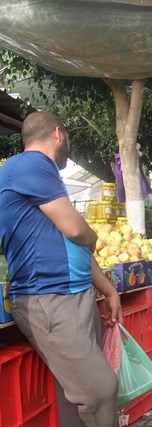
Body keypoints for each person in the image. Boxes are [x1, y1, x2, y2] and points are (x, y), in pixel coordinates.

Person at [0, 112, 122, 426]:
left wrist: (108, 289)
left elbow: (71, 244)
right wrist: (93, 235)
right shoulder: (32, 163)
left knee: (76, 399)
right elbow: (74, 230)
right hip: (50, 298)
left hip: (72, 295)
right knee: (100, 390)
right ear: (58, 133)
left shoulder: (43, 177)